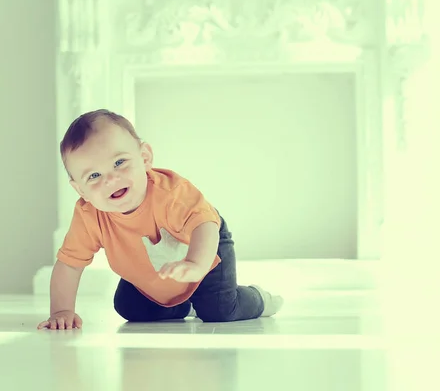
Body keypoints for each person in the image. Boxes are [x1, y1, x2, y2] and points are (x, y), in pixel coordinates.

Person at [37, 109, 283, 330]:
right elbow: (69, 264)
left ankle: (257, 299)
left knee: (218, 309)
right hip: (153, 271)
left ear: (145, 158)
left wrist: (196, 263)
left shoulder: (170, 194)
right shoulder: (89, 216)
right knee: (130, 308)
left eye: (120, 162)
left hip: (203, 244)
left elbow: (204, 224)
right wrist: (61, 311)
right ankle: (185, 305)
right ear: (80, 190)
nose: (110, 179)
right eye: (94, 175)